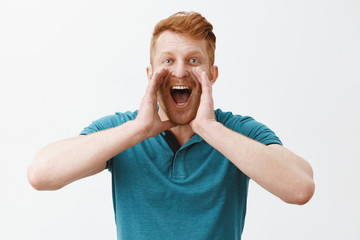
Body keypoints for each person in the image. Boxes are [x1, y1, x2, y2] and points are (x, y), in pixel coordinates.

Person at [28, 11, 315, 240]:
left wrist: (210, 129)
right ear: (151, 73)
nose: (180, 71)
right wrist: (138, 130)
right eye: (168, 60)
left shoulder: (238, 131)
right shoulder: (123, 129)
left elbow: (300, 188)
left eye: (193, 60)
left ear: (212, 75)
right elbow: (41, 174)